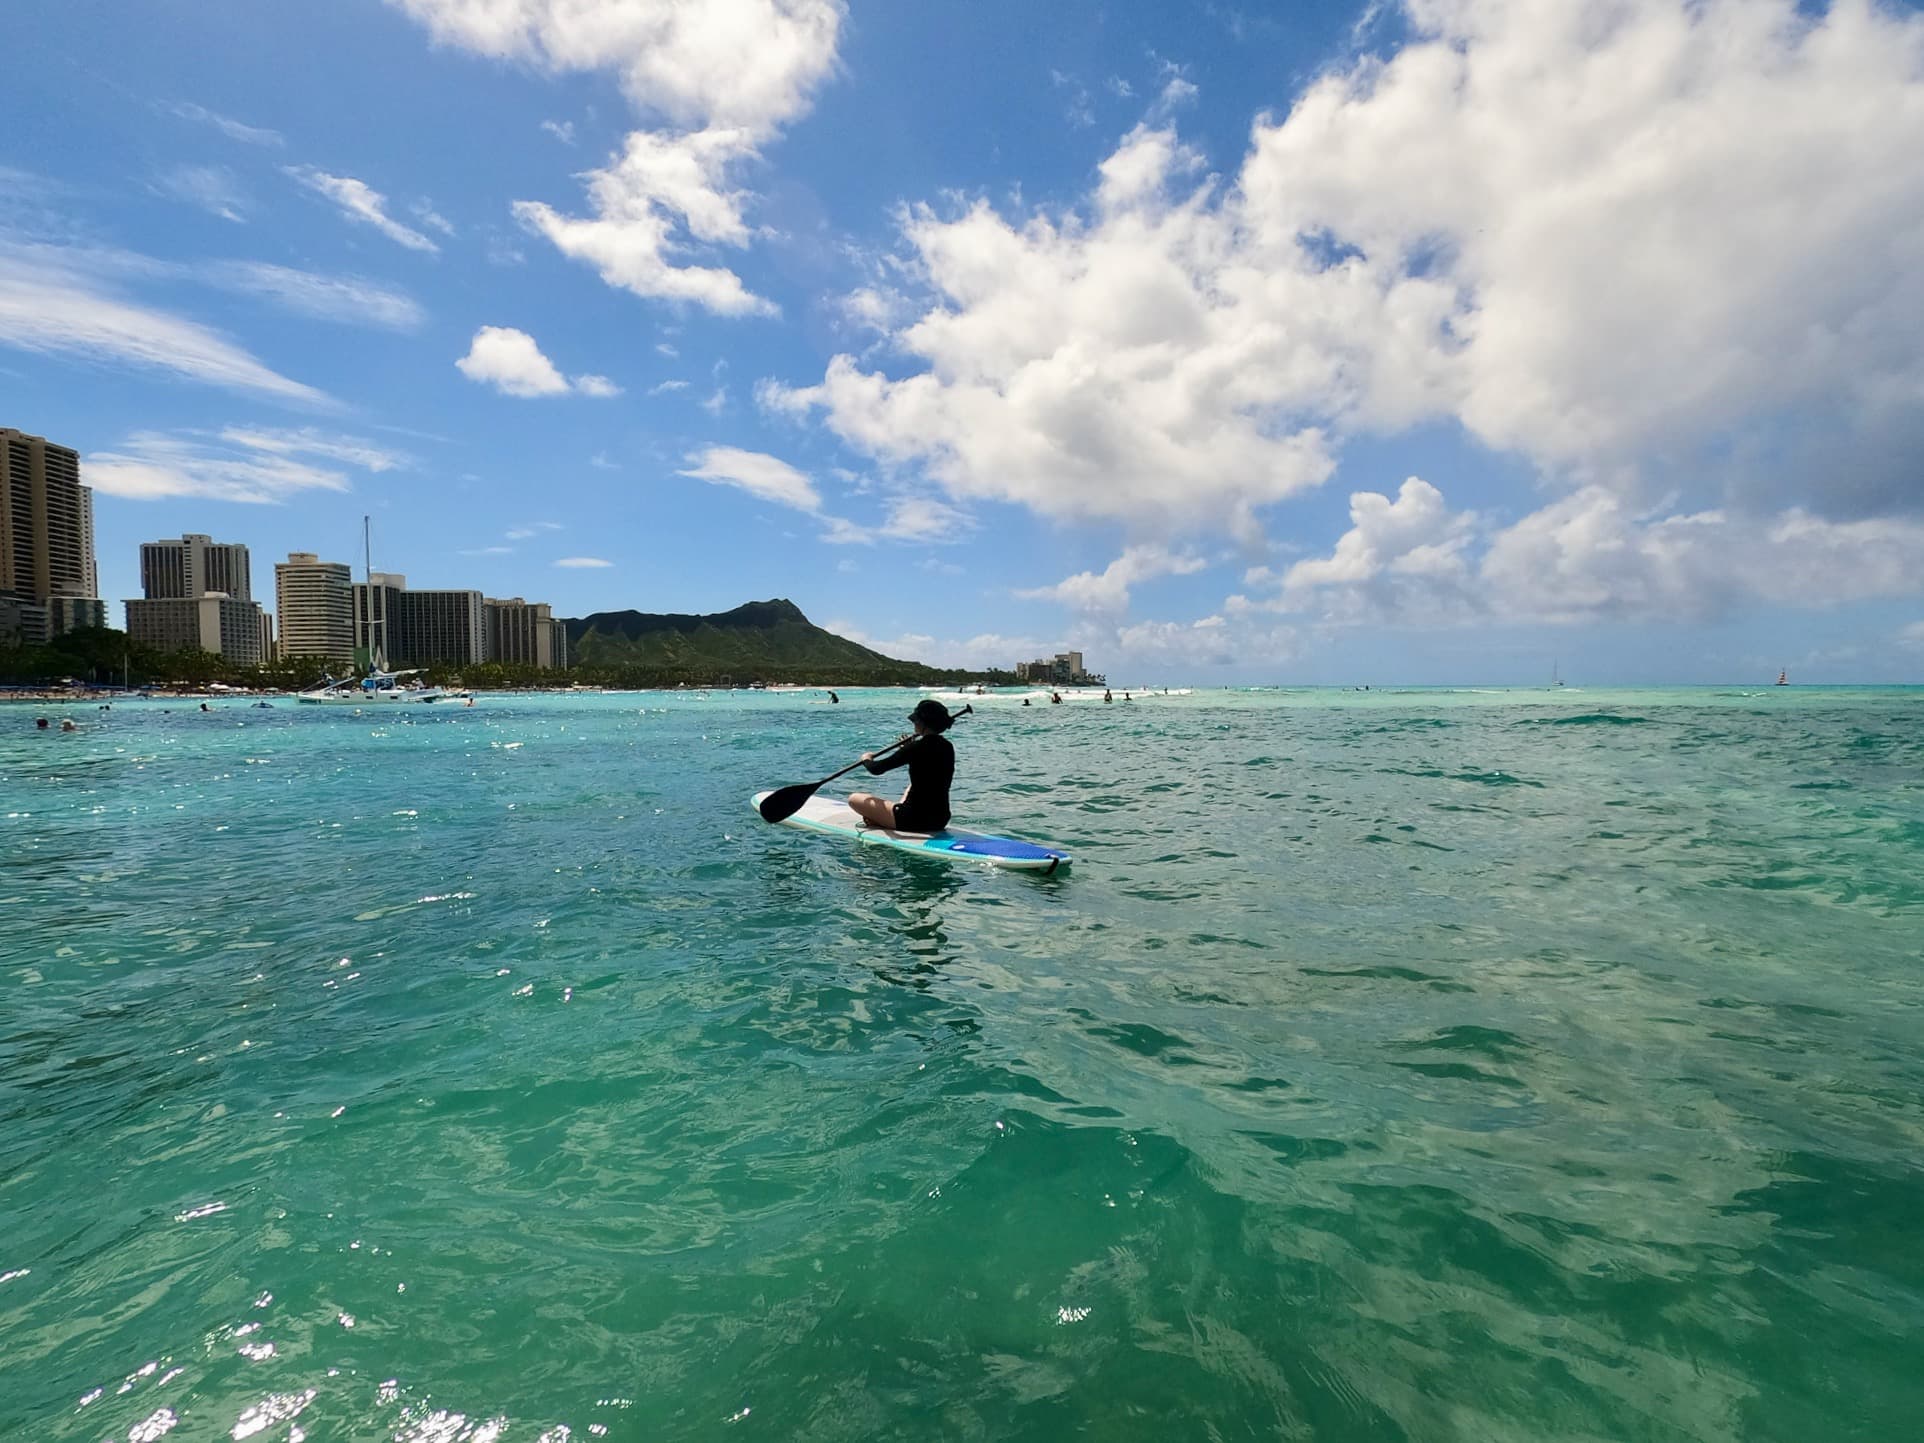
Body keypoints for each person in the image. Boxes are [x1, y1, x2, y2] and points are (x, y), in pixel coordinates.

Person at [848, 698, 955, 833]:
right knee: (915, 785)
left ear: (923, 723)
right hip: (940, 819)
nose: (914, 723)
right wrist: (907, 749)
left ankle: (883, 821)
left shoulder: (915, 748)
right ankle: (885, 818)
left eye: (915, 720)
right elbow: (927, 765)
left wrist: (866, 759)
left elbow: (877, 769)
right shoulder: (947, 746)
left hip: (912, 820)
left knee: (854, 799)